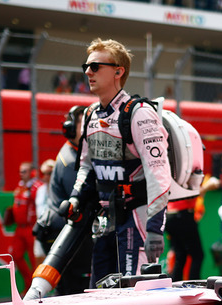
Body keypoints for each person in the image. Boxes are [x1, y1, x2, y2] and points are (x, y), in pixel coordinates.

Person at [68, 38, 172, 286]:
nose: (87, 72)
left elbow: (159, 172)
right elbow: (86, 165)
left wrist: (156, 228)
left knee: (130, 294)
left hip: (135, 219)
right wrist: (75, 197)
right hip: (105, 219)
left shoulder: (138, 113)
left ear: (118, 71)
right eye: (86, 66)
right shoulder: (91, 113)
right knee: (98, 293)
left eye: (95, 66)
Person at [33, 105, 94, 295]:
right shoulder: (70, 159)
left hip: (58, 228)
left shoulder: (72, 153)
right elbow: (80, 196)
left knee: (70, 286)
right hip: (63, 230)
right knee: (72, 287)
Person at [6, 161, 42, 283]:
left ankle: (35, 286)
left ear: (32, 172)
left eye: (24, 171)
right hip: (19, 228)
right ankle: (28, 282)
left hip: (31, 228)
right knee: (15, 255)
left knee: (33, 259)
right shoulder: (20, 187)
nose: (21, 174)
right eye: (20, 171)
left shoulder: (36, 187)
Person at [33, 159, 54, 265]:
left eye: (49, 173)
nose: (46, 176)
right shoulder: (40, 190)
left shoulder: (58, 188)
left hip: (54, 228)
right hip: (41, 226)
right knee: (39, 255)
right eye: (44, 173)